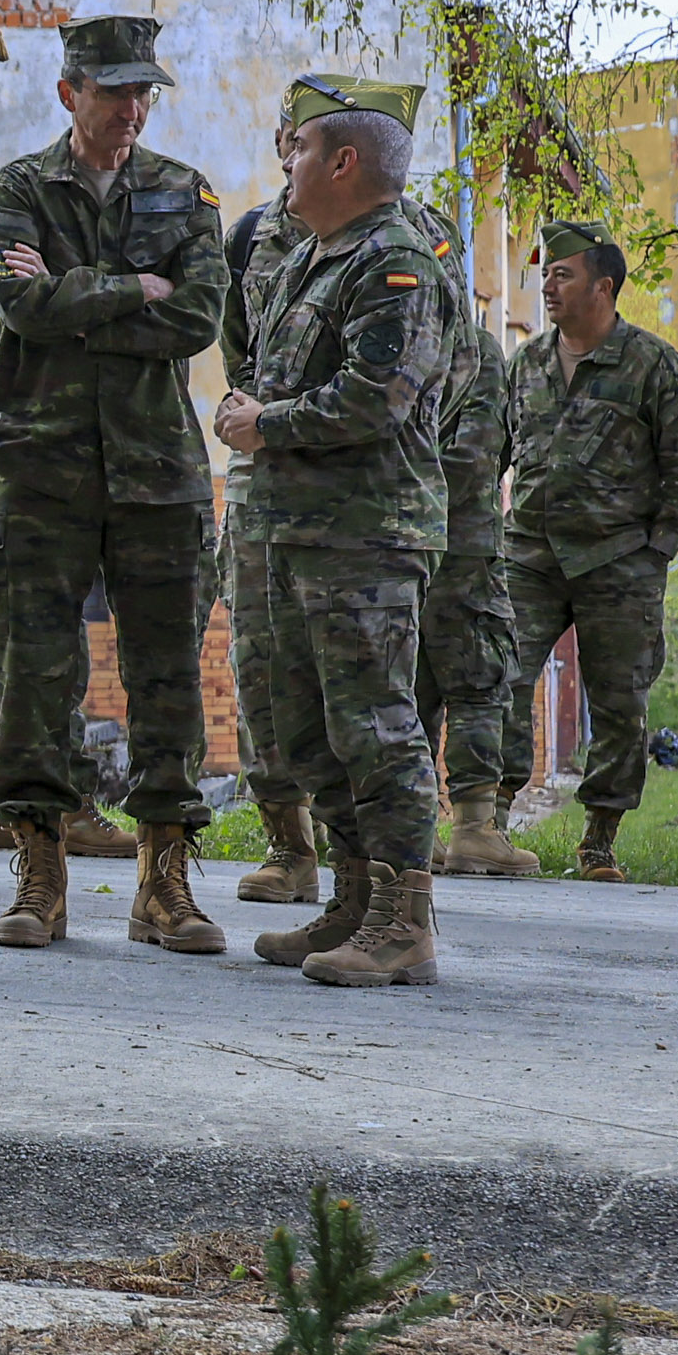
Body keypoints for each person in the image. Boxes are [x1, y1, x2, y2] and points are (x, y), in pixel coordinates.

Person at [0, 14, 229, 955]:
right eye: (114, 91)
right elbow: (21, 306)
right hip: (41, 468)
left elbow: (198, 316)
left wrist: (80, 289)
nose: (132, 109)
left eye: (143, 93)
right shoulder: (16, 189)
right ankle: (40, 873)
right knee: (36, 672)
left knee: (165, 677)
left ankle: (163, 881)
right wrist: (134, 288)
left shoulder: (182, 193)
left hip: (157, 469)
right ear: (67, 93)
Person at [215, 75, 458, 986]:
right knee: (308, 730)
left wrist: (263, 424)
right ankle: (353, 900)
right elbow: (266, 367)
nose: (288, 160)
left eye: (302, 147)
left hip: (364, 536)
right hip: (292, 531)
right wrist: (254, 408)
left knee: (377, 727)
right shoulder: (309, 257)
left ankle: (405, 922)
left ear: (343, 160)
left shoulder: (396, 261)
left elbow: (378, 398)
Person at [499, 222, 678, 880]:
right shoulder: (527, 364)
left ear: (603, 285)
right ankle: (487, 820)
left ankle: (598, 840)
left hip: (616, 561)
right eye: (544, 276)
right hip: (529, 557)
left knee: (619, 700)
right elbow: (491, 450)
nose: (547, 287)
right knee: (497, 678)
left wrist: (656, 550)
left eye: (561, 274)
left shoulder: (652, 364)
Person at [401, 197, 537, 879]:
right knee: (478, 680)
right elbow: (482, 454)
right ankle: (475, 826)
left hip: (394, 541)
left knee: (410, 684)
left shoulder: (392, 338)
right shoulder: (474, 352)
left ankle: (417, 829)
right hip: (461, 543)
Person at [217, 106, 318, 905]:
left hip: (349, 485)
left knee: (354, 673)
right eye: (290, 139)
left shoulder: (405, 235)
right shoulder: (250, 235)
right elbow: (236, 350)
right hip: (258, 480)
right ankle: (288, 843)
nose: (298, 155)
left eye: (313, 139)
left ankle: (374, 862)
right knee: (258, 664)